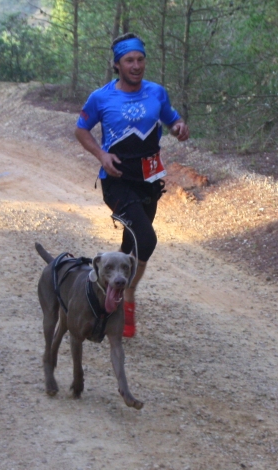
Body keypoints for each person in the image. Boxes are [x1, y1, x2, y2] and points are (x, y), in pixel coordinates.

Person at [75, 32, 189, 338]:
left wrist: (178, 127)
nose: (136, 65)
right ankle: (124, 297)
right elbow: (81, 129)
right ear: (117, 64)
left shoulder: (157, 93)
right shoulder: (101, 97)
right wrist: (101, 154)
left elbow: (171, 118)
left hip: (149, 182)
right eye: (129, 60)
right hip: (117, 182)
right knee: (146, 240)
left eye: (140, 59)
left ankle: (106, 289)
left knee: (131, 246)